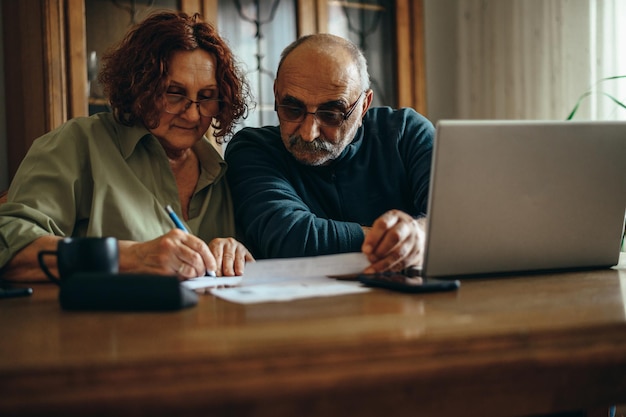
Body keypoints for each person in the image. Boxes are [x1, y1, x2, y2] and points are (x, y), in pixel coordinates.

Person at [0, 11, 254, 282]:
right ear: (141, 86)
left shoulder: (223, 172)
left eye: (206, 97)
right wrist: (133, 257)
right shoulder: (79, 144)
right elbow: (9, 246)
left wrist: (233, 253)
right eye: (174, 93)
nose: (192, 115)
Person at [225, 33, 434, 274]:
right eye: (292, 109)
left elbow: (455, 222)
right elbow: (291, 239)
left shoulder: (407, 134)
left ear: (364, 105)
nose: (308, 133)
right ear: (276, 94)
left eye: (331, 114)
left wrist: (420, 234)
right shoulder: (253, 150)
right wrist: (398, 244)